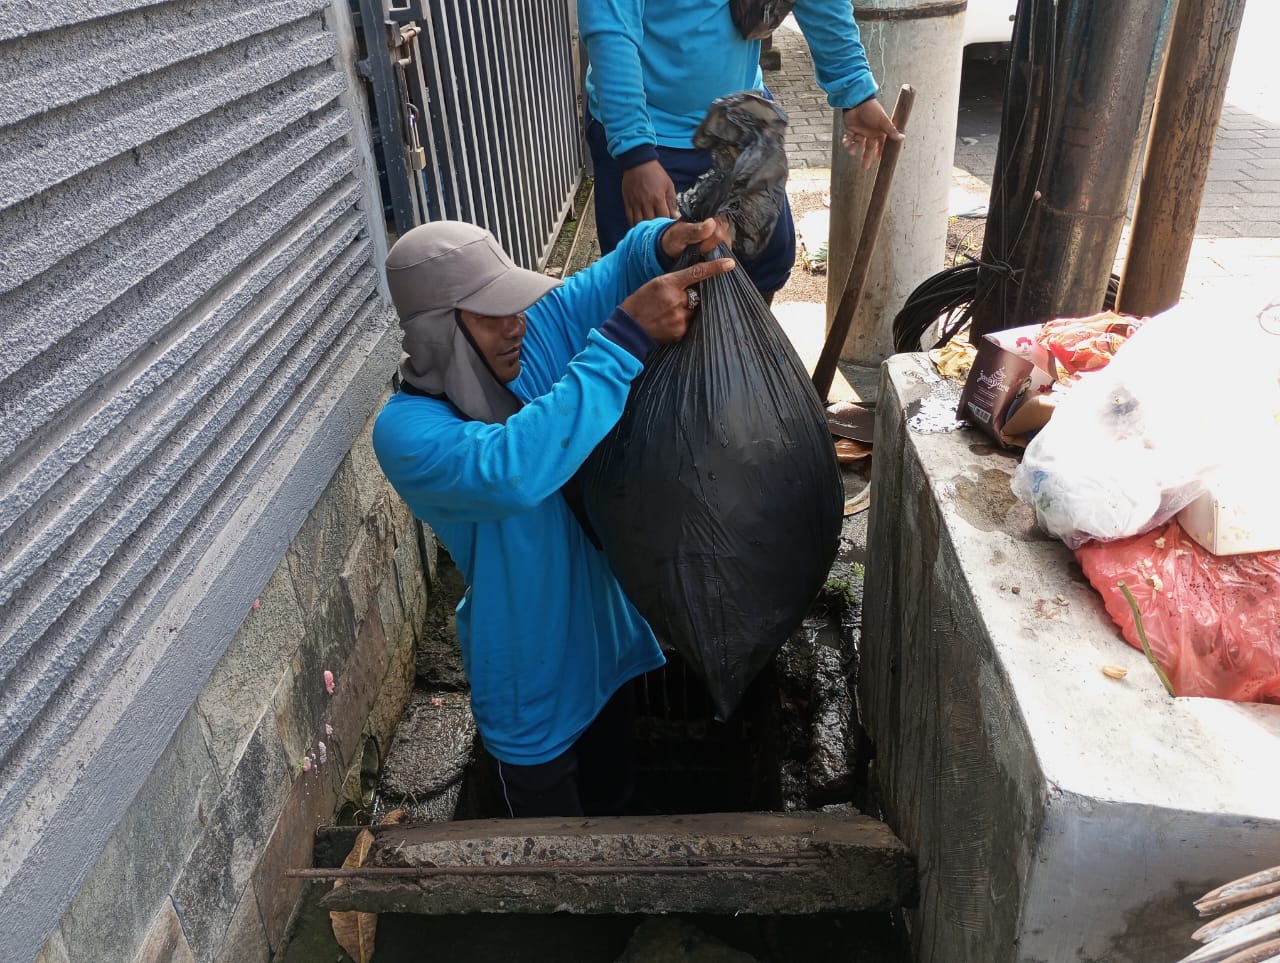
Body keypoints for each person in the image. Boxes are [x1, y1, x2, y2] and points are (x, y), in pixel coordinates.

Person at [371, 215, 733, 818]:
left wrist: (665, 240)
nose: (516, 325)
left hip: (607, 645)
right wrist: (619, 346)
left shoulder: (534, 335)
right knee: (553, 858)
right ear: (437, 333)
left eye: (514, 304)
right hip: (529, 681)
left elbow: (617, 271)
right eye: (491, 314)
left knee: (615, 804)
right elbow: (512, 470)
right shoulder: (408, 433)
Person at [580, 0, 904, 301]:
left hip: (742, 120)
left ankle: (742, 358)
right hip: (651, 140)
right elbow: (612, 31)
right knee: (648, 285)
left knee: (763, 264)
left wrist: (855, 91)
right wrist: (636, 154)